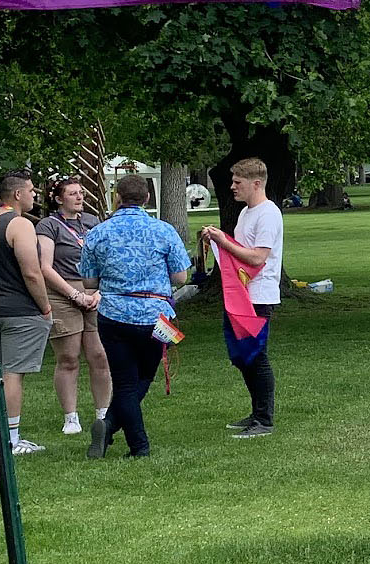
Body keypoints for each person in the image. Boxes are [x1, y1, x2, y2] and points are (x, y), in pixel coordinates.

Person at [78, 172, 191, 460]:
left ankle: (110, 424)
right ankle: (137, 445)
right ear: (147, 198)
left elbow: (89, 283)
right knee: (143, 378)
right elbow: (181, 276)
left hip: (114, 316)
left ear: (116, 197)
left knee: (126, 381)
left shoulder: (98, 233)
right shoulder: (164, 230)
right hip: (156, 316)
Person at [198, 156, 283, 437]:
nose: (232, 187)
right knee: (242, 356)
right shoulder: (247, 213)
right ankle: (256, 413)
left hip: (259, 296)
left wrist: (223, 241)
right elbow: (239, 253)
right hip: (241, 296)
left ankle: (264, 420)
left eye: (238, 182)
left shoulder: (268, 213)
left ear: (256, 183)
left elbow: (258, 258)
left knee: (256, 356)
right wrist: (219, 240)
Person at [0, 174, 56, 455]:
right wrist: (45, 306)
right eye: (32, 191)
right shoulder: (19, 225)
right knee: (13, 375)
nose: (35, 196)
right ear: (17, 195)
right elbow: (32, 272)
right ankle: (10, 438)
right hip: (20, 311)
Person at [36, 177, 109, 436]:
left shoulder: (92, 222)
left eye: (81, 193)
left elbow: (106, 258)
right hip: (61, 291)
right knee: (68, 357)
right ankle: (71, 416)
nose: (79, 197)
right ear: (58, 199)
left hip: (93, 291)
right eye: (73, 194)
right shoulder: (48, 225)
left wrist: (98, 291)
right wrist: (74, 295)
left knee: (99, 355)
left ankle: (103, 413)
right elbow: (45, 267)